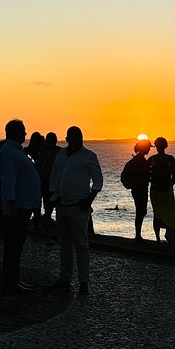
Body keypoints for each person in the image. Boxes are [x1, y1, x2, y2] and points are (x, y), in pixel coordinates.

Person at [48, 126, 103, 295]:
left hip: (79, 207)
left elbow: (98, 181)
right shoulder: (61, 155)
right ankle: (65, 278)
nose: (73, 140)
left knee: (81, 244)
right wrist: (53, 196)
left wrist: (88, 201)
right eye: (70, 138)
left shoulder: (89, 157)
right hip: (62, 205)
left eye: (76, 137)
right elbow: (55, 176)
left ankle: (83, 282)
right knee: (64, 243)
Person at [0, 119, 41, 295]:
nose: (25, 134)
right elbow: (8, 181)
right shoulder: (9, 152)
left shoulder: (16, 151)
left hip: (23, 205)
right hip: (18, 207)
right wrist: (12, 206)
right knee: (13, 246)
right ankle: (10, 283)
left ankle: (14, 280)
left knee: (17, 245)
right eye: (23, 131)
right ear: (15, 132)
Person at [149, 137, 175, 244]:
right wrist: (170, 184)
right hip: (167, 191)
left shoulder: (152, 159)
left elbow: (144, 174)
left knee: (157, 214)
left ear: (156, 146)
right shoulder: (170, 159)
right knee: (171, 215)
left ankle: (158, 238)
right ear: (166, 146)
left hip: (155, 191)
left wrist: (152, 181)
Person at [123, 139, 151, 241]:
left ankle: (138, 234)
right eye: (148, 147)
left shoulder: (135, 161)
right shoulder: (142, 162)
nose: (149, 150)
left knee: (140, 211)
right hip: (140, 189)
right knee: (140, 212)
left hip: (137, 189)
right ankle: (138, 235)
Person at [40, 132, 61, 240]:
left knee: (48, 210)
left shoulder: (43, 152)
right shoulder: (60, 152)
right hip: (53, 183)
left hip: (46, 182)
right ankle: (55, 234)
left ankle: (49, 235)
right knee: (56, 210)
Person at [24, 132, 46, 228]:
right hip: (33, 182)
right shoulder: (29, 153)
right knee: (36, 205)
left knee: (35, 204)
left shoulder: (27, 152)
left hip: (32, 182)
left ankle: (34, 223)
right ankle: (35, 224)